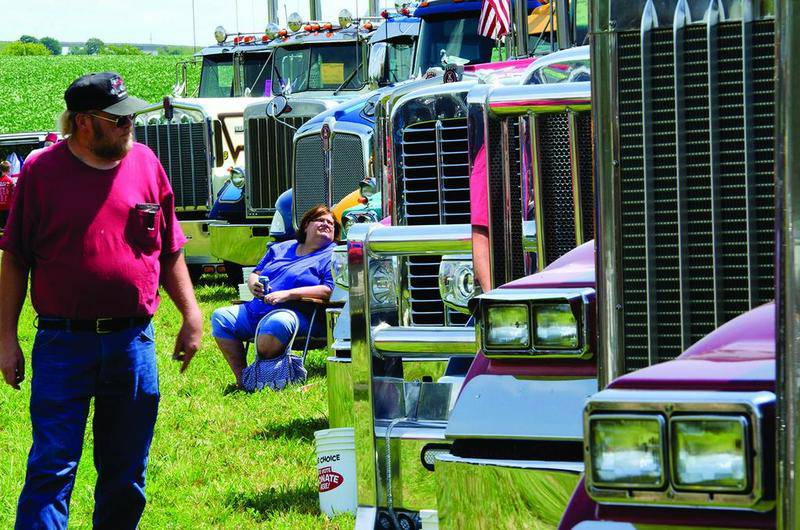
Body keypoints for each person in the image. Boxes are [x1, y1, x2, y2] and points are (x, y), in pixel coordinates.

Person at [0, 71, 203, 529]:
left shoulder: (147, 163)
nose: (129, 123)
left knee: (127, 472)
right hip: (62, 344)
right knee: (52, 468)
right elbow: (15, 259)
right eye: (118, 119)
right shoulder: (41, 171)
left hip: (132, 343)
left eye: (129, 114)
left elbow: (168, 247)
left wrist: (192, 314)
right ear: (84, 123)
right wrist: (6, 339)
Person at [211, 205, 339, 389]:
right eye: (320, 220)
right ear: (305, 226)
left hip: (298, 313)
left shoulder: (332, 255)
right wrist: (253, 284)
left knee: (274, 325)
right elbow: (256, 272)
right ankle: (243, 379)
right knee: (221, 317)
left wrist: (288, 295)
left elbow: (329, 289)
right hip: (256, 309)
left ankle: (263, 377)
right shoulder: (281, 247)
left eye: (331, 223)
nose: (326, 224)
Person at [0, 160, 13, 227]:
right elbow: (14, 194)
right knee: (7, 227)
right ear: (9, 169)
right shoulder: (10, 181)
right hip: (8, 208)